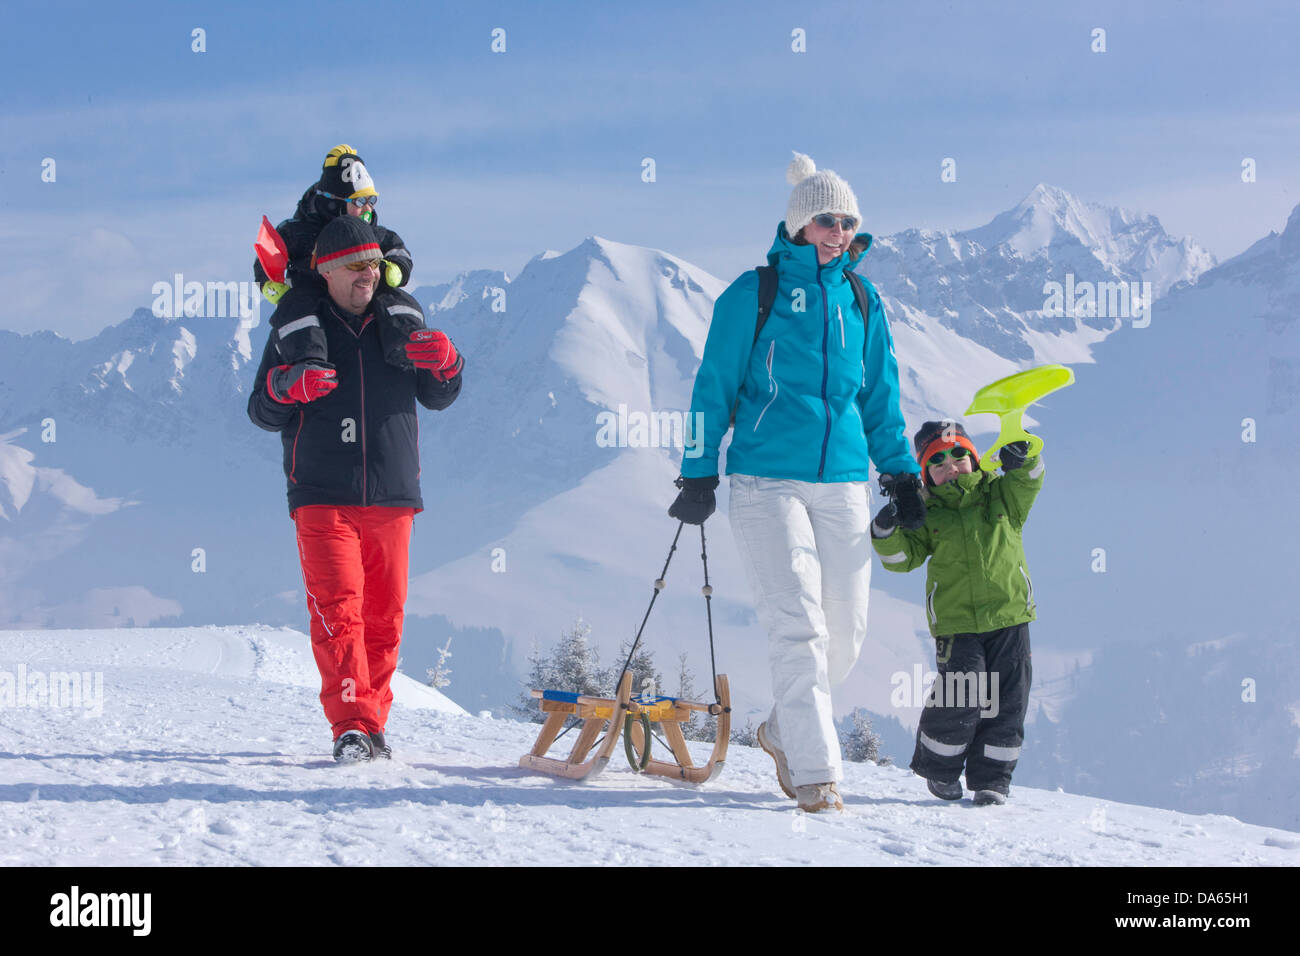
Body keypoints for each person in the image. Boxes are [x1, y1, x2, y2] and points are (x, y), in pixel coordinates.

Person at [670, 152, 926, 812]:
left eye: (847, 221)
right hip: (764, 482)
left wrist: (897, 470)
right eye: (825, 220)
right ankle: (816, 775)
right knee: (799, 625)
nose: (838, 231)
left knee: (848, 629)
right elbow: (712, 390)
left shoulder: (863, 300)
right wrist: (698, 472)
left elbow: (880, 397)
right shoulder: (752, 296)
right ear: (798, 226)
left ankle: (784, 731)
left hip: (842, 481)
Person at [247, 215, 464, 762]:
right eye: (355, 265)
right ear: (325, 271)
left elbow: (441, 396)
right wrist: (287, 384)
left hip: (393, 493)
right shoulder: (300, 331)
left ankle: (373, 725)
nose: (369, 274)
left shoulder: (400, 327)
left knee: (384, 620)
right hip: (321, 491)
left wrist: (447, 363)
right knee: (339, 611)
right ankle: (351, 725)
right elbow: (261, 410)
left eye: (373, 263)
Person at [869, 419, 1042, 805]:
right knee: (961, 694)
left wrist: (1023, 457)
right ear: (926, 474)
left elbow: (1029, 479)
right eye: (938, 461)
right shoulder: (927, 513)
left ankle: (991, 781)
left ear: (974, 458)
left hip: (1010, 616)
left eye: (959, 454)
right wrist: (886, 531)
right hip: (957, 622)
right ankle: (940, 769)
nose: (952, 465)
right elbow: (903, 558)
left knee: (1008, 701)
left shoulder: (1000, 495)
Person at [253, 144, 423, 370]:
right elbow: (268, 254)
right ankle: (308, 361)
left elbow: (396, 247)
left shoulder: (370, 231)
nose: (367, 208)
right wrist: (270, 284)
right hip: (312, 291)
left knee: (394, 298)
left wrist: (396, 268)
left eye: (371, 200)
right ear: (334, 202)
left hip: (362, 294)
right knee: (295, 306)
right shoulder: (299, 231)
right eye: (359, 201)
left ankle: (406, 345)